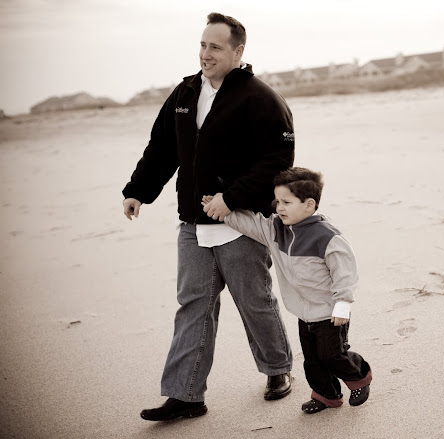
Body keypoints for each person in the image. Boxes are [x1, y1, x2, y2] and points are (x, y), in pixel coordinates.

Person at [122, 12, 295, 422]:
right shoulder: (184, 94)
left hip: (241, 223)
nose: (206, 53)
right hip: (192, 223)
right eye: (202, 45)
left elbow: (278, 159)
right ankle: (186, 394)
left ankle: (278, 370)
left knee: (254, 301)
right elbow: (161, 148)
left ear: (238, 51)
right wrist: (138, 191)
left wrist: (230, 198)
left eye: (215, 47)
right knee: (193, 306)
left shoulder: (260, 97)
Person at [202, 167, 372, 414]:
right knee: (312, 361)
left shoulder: (327, 236)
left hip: (330, 311)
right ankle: (327, 396)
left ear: (309, 204)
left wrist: (343, 304)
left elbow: (345, 272)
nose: (279, 207)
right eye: (277, 201)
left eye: (287, 202)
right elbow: (251, 224)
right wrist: (223, 212)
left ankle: (359, 378)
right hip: (304, 312)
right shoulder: (276, 229)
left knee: (332, 355)